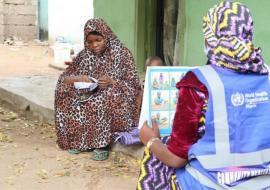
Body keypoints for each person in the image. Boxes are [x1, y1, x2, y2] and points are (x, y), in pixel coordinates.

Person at [137, 1, 270, 189]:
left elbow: (176, 159)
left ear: (210, 38)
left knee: (155, 160)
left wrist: (150, 140)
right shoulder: (268, 77)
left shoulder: (197, 83)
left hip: (211, 183)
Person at [55, 18, 140, 161]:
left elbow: (133, 85)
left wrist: (112, 82)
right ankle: (78, 141)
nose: (94, 45)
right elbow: (64, 78)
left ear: (106, 37)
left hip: (117, 98)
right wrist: (79, 78)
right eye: (90, 42)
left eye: (98, 40)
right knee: (65, 91)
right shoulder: (84, 55)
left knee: (103, 97)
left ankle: (102, 144)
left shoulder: (122, 54)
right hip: (91, 92)